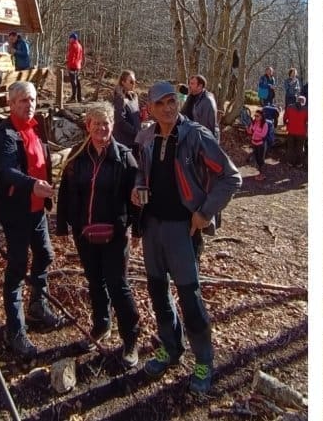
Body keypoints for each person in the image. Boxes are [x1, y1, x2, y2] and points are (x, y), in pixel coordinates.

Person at [134, 81, 241, 394]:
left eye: (172, 101)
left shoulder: (195, 135)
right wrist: (138, 186)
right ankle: (171, 347)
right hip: (152, 227)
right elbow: (141, 171)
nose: (168, 107)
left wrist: (205, 213)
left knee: (190, 298)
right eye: (161, 103)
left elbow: (230, 177)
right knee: (157, 292)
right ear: (150, 109)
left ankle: (203, 360)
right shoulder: (146, 136)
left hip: (183, 229)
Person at [55, 102, 141, 368]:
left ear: (112, 126)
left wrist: (136, 230)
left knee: (118, 285)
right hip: (85, 234)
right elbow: (65, 194)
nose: (102, 129)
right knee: (95, 282)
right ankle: (101, 326)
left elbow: (136, 197)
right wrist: (62, 227)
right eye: (97, 124)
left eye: (106, 124)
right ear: (88, 126)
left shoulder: (124, 158)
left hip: (115, 234)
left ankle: (130, 340)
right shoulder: (77, 157)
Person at [0, 81, 66, 359]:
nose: (29, 104)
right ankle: (15, 330)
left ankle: (37, 305)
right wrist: (33, 183)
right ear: (11, 104)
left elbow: (43, 159)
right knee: (17, 267)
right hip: (17, 211)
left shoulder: (37, 127)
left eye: (32, 99)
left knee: (45, 255)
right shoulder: (6, 133)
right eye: (22, 100)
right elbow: (7, 170)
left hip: (37, 209)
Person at [110, 70, 140, 150]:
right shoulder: (119, 98)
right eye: (131, 81)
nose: (134, 84)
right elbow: (119, 121)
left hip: (135, 141)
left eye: (134, 81)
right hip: (124, 143)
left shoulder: (133, 97)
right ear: (123, 82)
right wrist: (135, 132)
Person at [283, 96, 308, 169]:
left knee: (290, 148)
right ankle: (299, 163)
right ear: (304, 102)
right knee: (300, 148)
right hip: (301, 133)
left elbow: (285, 118)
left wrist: (287, 124)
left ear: (297, 100)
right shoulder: (306, 109)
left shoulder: (290, 107)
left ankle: (290, 163)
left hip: (291, 131)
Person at [248, 109, 270, 181]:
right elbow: (250, 132)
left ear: (262, 116)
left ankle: (262, 175)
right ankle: (260, 173)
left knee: (261, 159)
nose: (256, 117)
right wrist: (249, 130)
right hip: (254, 143)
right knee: (257, 159)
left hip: (261, 144)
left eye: (257, 116)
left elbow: (263, 135)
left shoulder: (265, 124)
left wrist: (255, 132)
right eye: (255, 116)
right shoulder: (254, 122)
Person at [66, 32, 84, 103]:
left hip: (73, 65)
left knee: (73, 82)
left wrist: (68, 65)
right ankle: (79, 97)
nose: (69, 40)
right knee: (78, 81)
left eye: (70, 38)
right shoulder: (79, 45)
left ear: (73, 38)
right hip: (78, 66)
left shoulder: (73, 45)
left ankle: (74, 97)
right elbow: (80, 57)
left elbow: (71, 57)